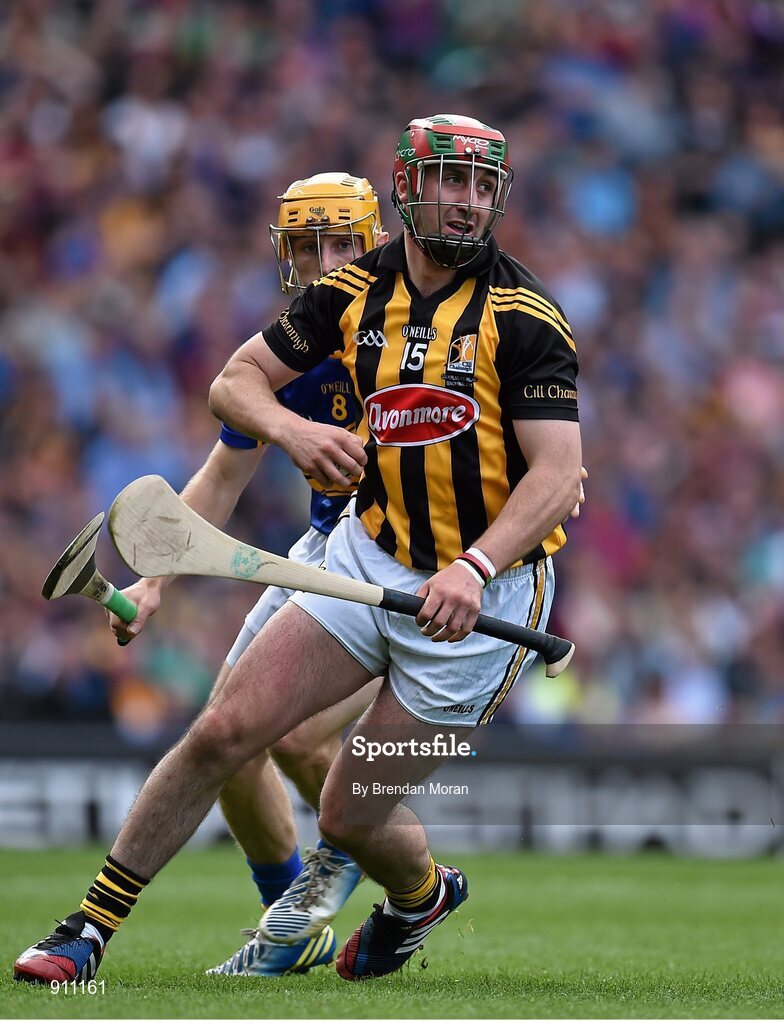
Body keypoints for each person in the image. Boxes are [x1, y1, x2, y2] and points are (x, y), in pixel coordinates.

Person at [15, 114, 582, 984]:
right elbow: (233, 383)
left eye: (480, 184)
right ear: (406, 186)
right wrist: (290, 429)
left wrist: (474, 565)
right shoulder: (352, 292)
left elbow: (558, 475)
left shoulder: (526, 318)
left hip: (487, 598)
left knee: (350, 813)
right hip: (364, 555)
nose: (466, 202)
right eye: (448, 180)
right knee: (225, 730)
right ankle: (84, 933)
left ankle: (420, 895)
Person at [15, 172, 388, 983]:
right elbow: (221, 477)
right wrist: (153, 580)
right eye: (306, 246)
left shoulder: (412, 337)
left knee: (291, 738)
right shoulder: (287, 350)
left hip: (411, 569)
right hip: (322, 556)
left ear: (374, 245)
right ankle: (292, 917)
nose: (324, 262)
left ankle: (413, 889)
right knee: (230, 740)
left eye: (340, 244)